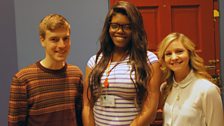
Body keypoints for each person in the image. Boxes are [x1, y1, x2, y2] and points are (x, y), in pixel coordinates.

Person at [82, 1, 161, 126]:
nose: (120, 31)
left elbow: (150, 108)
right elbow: (87, 105)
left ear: (135, 29)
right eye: (115, 26)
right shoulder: (94, 61)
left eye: (127, 26)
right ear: (108, 28)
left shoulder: (148, 60)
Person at [8, 14, 83, 126]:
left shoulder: (76, 74)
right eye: (54, 39)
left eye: (66, 38)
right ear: (42, 40)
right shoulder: (23, 79)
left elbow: (80, 119)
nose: (62, 45)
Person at [158, 32, 224, 126]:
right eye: (168, 54)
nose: (174, 57)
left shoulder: (208, 90)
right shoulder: (165, 88)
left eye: (179, 51)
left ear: (190, 54)